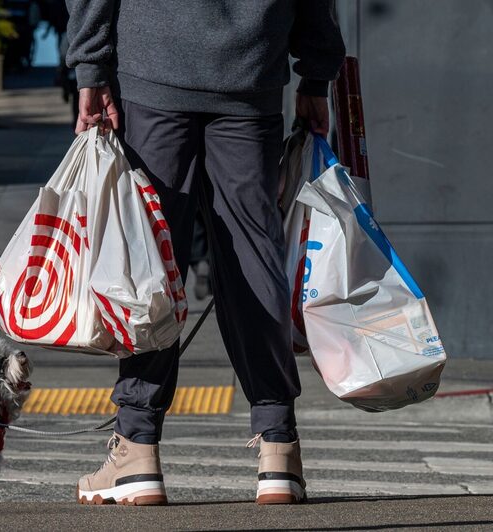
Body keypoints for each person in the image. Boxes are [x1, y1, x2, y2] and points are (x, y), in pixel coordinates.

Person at [65, 1, 345, 506]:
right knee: (254, 253)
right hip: (251, 68)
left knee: (150, 259)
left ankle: (137, 446)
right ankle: (278, 446)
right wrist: (316, 70)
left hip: (155, 66)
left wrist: (90, 64)